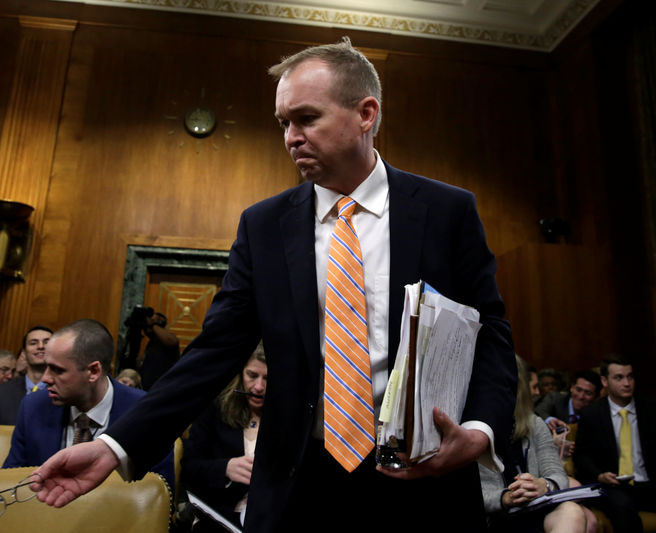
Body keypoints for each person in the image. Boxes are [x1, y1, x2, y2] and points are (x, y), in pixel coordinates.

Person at [31, 38, 516, 532]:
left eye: (306, 118)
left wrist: (479, 429)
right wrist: (117, 445)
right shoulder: (264, 226)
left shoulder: (447, 211)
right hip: (298, 486)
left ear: (366, 113)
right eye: (284, 122)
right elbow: (214, 351)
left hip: (424, 480)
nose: (291, 137)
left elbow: (490, 331)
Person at [2, 320, 173, 486]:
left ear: (93, 371)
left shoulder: (145, 413)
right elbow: (11, 480)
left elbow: (158, 493)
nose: (45, 378)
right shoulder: (33, 406)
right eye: (47, 367)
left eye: (58, 370)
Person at [480, 355, 587, 533]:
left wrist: (544, 485)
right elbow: (466, 496)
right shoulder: (469, 430)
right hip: (495, 518)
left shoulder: (534, 424)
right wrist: (506, 497)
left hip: (535, 512)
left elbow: (557, 474)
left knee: (572, 512)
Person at [182, 345, 267, 530]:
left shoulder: (290, 418)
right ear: (241, 374)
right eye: (252, 375)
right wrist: (225, 468)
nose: (259, 387)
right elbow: (188, 466)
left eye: (267, 378)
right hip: (218, 516)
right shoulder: (215, 409)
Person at [573, 355, 656, 533]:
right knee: (622, 507)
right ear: (604, 381)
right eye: (619, 377)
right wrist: (599, 475)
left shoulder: (650, 410)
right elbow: (581, 455)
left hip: (647, 483)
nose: (627, 383)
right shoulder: (592, 414)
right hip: (613, 485)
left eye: (630, 376)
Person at [0, 326, 52, 425]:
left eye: (46, 342)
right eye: (33, 343)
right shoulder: (0, 393)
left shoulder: (65, 392)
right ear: (23, 353)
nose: (40, 346)